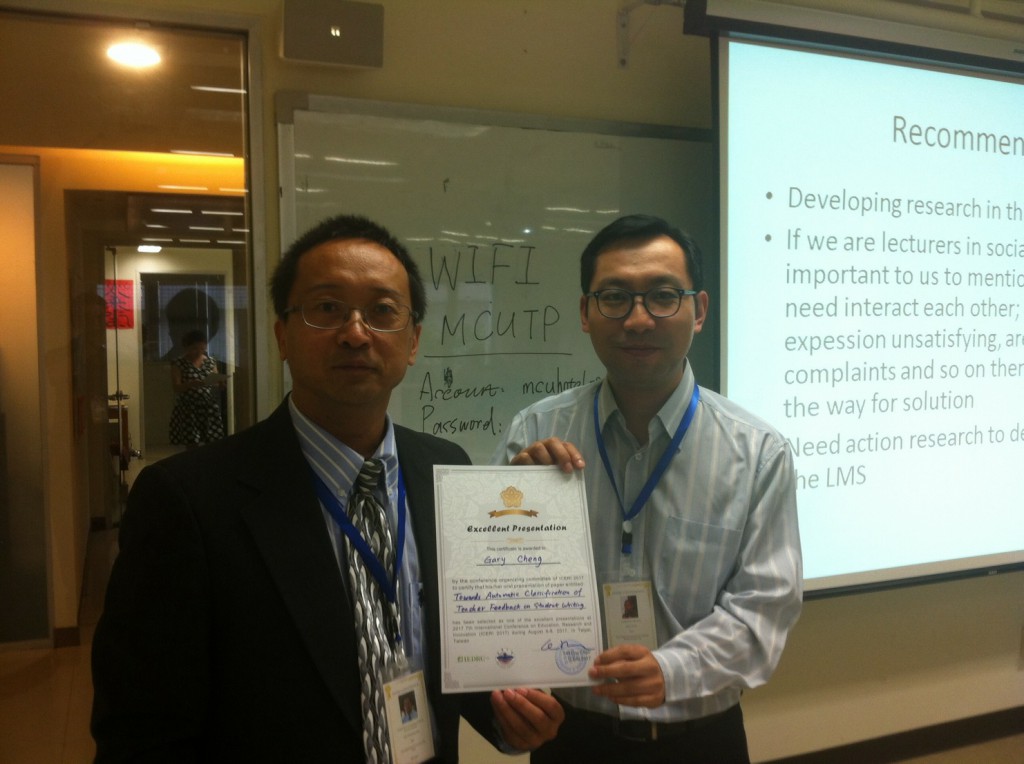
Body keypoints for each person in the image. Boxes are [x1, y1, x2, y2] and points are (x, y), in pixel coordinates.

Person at [92, 214, 563, 761]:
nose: (356, 333)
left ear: (412, 341)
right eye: (327, 308)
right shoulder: (187, 500)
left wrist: (507, 718)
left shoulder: (446, 470)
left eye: (382, 311)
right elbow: (141, 728)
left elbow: (459, 651)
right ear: (282, 335)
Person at [494, 214, 802, 763]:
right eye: (614, 297)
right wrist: (511, 518)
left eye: (662, 296)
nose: (638, 319)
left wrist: (672, 670)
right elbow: (491, 595)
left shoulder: (758, 452)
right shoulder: (534, 434)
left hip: (700, 742)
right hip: (572, 742)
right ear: (585, 313)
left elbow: (764, 610)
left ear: (699, 310)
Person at [168, 329, 226, 448]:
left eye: (202, 349)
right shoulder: (178, 363)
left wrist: (220, 384)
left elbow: (215, 381)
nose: (199, 352)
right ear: (186, 347)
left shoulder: (210, 362)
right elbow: (176, 387)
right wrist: (191, 384)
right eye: (194, 349)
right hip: (189, 407)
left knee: (212, 440)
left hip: (208, 406)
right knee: (192, 442)